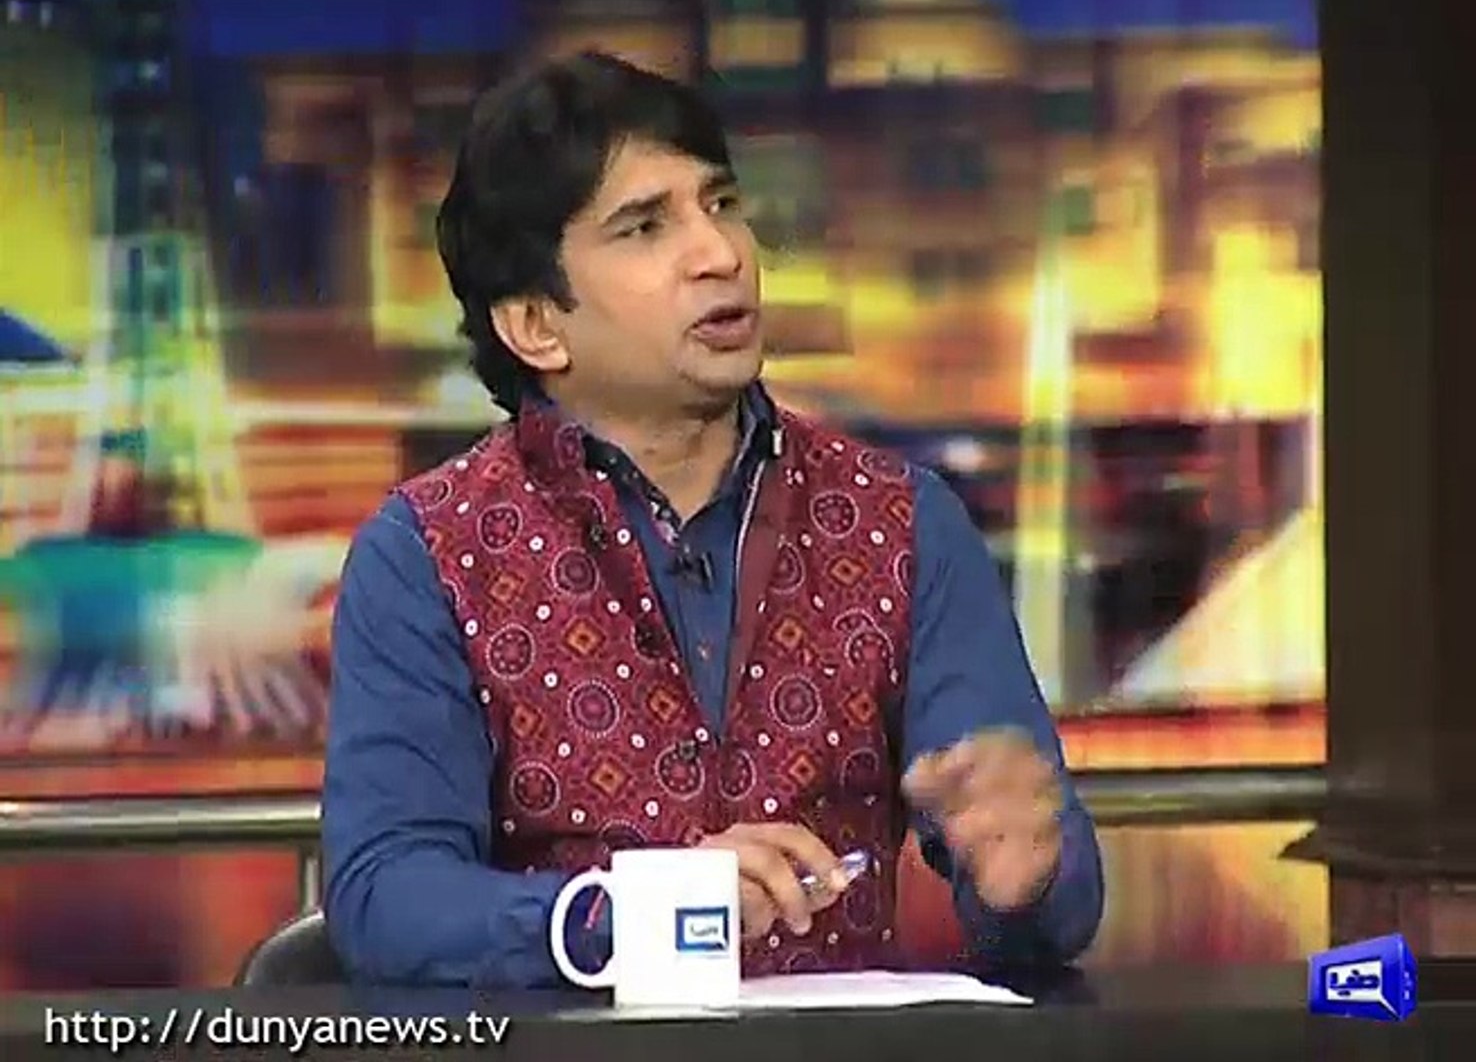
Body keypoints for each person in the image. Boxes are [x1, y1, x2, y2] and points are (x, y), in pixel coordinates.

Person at [321, 50, 1104, 988]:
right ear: (536, 325)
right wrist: (629, 917)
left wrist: (1027, 880)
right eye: (646, 227)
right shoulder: (427, 553)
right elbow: (384, 895)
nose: (722, 254)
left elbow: (1051, 901)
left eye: (722, 204)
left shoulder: (903, 521)